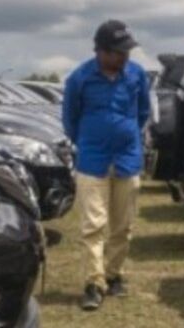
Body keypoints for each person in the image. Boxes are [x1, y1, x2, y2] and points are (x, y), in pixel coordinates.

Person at [61, 20, 152, 311]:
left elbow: (142, 113)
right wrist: (91, 139)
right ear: (101, 51)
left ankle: (114, 275)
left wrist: (126, 135)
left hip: (127, 159)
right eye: (117, 52)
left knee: (123, 226)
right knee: (93, 225)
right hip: (92, 160)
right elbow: (70, 120)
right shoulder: (79, 79)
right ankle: (93, 283)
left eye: (126, 51)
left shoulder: (137, 75)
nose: (124, 57)